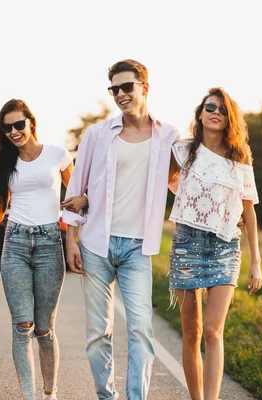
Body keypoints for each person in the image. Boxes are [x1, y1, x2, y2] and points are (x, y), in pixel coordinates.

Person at [61, 59, 179, 400]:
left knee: (141, 329)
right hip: (97, 244)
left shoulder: (168, 135)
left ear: (145, 87)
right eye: (115, 89)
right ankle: (106, 396)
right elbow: (75, 191)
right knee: (99, 333)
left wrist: (233, 208)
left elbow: (180, 182)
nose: (121, 94)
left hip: (138, 248)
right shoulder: (97, 135)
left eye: (127, 87)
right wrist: (72, 240)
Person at [0, 99, 86, 400]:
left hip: (50, 243)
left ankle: (50, 394)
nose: (13, 131)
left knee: (44, 329)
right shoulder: (3, 163)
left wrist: (72, 239)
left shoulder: (58, 155)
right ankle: (30, 397)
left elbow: (76, 201)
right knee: (22, 325)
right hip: (16, 244)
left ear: (30, 122)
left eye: (18, 124)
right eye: (7, 127)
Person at [167, 87, 262, 400]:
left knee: (212, 330)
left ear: (229, 119)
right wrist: (190, 200)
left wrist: (256, 262)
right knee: (192, 332)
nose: (215, 113)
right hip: (186, 243)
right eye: (210, 107)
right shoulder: (182, 151)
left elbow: (248, 211)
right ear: (200, 113)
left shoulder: (239, 158)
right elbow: (163, 180)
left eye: (222, 110)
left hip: (225, 248)